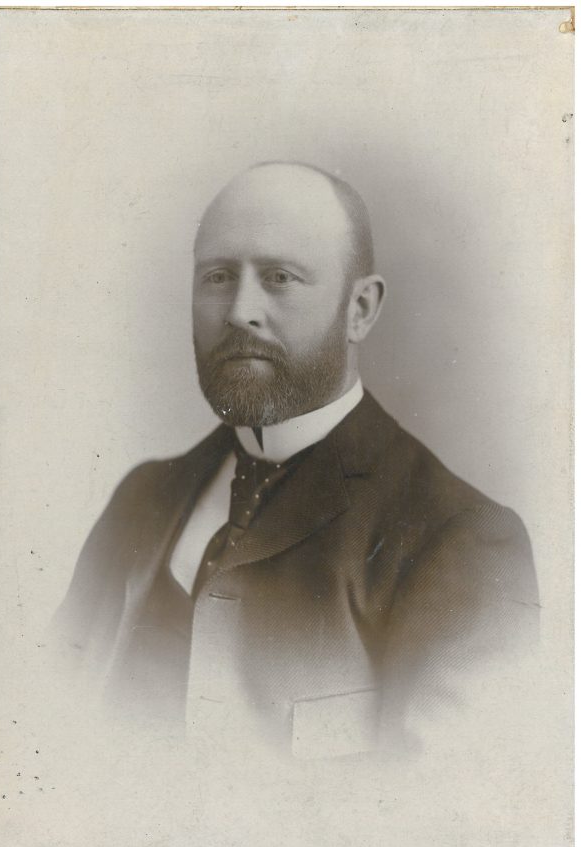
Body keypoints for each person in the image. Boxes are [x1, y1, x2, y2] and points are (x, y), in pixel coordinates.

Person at [56, 162, 539, 760]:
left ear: (360, 309)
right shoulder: (142, 497)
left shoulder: (459, 539)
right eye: (217, 276)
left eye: (280, 277)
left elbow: (442, 817)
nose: (239, 310)